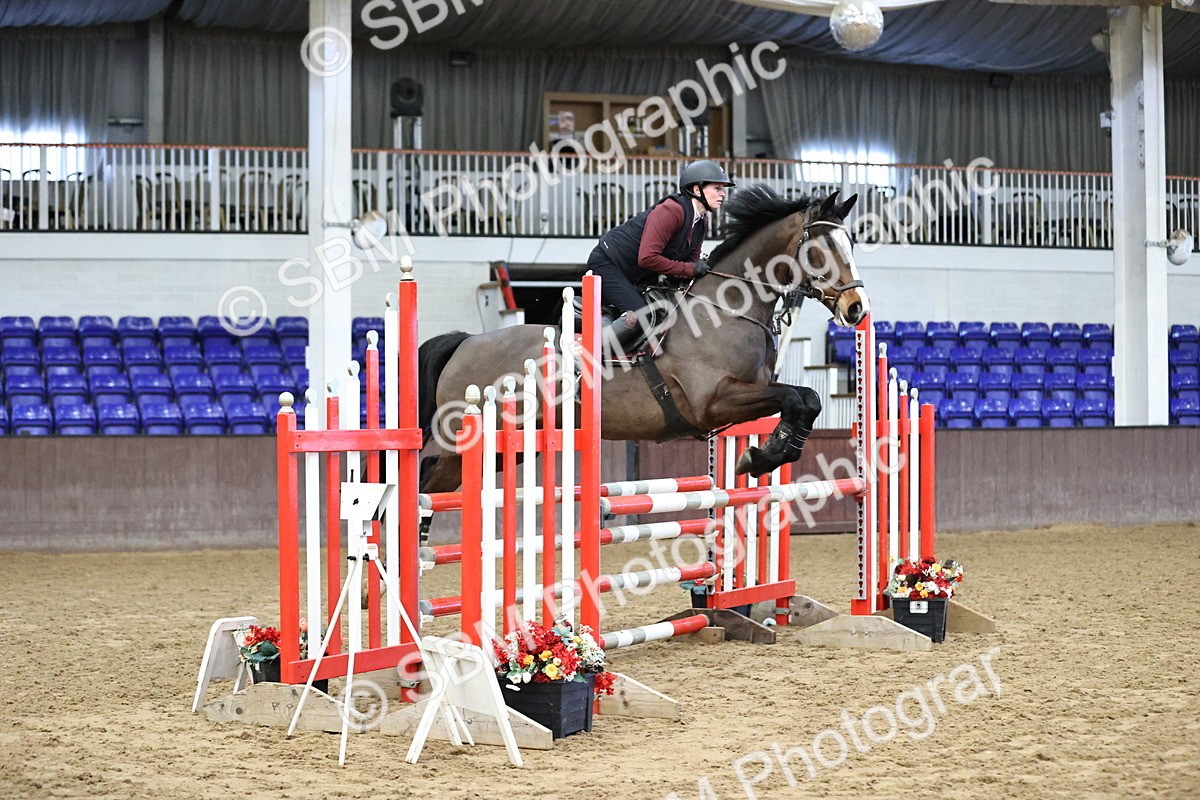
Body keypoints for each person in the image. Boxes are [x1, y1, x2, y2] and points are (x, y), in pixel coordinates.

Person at [585, 159, 735, 352]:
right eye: (717, 188)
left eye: (723, 189)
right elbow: (648, 258)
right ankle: (588, 353)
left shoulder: (701, 222)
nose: (723, 193)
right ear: (697, 190)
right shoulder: (671, 210)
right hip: (607, 263)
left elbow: (690, 263)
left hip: (634, 272)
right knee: (642, 316)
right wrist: (690, 269)